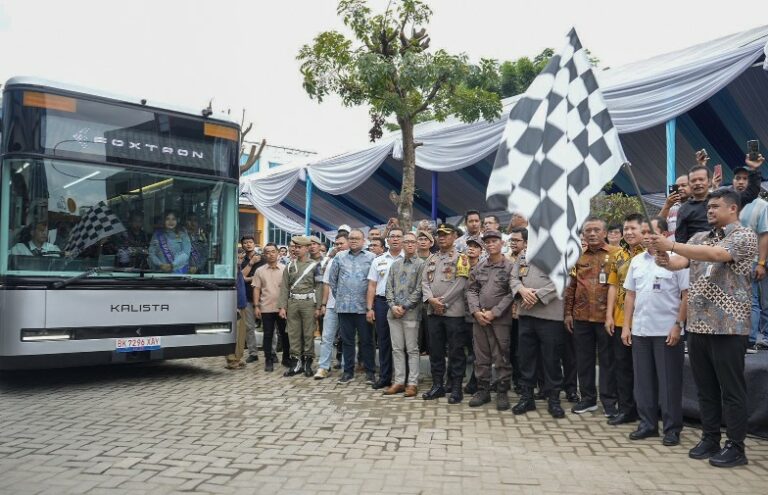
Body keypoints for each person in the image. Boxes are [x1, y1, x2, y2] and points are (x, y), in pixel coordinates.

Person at [651, 188, 757, 468]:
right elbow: (679, 263)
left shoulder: (744, 236)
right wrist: (662, 254)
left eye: (715, 206)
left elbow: (716, 255)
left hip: (729, 327)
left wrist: (672, 245)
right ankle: (710, 438)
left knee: (731, 390)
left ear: (732, 209)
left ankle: (736, 446)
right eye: (708, 207)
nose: (709, 211)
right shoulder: (699, 237)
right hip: (698, 326)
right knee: (705, 388)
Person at [622, 221, 689, 446]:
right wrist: (626, 326)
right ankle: (648, 424)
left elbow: (686, 295)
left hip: (666, 330)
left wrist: (678, 325)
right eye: (645, 233)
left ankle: (672, 429)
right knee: (643, 382)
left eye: (652, 232)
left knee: (669, 383)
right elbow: (630, 295)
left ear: (663, 234)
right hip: (641, 330)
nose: (648, 236)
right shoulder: (637, 261)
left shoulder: (676, 259)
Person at [564, 217, 619, 417]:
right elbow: (571, 287)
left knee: (607, 361)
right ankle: (587, 399)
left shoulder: (616, 254)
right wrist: (568, 313)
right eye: (588, 231)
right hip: (581, 317)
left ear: (605, 233)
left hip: (607, 318)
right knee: (584, 360)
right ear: (583, 234)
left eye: (597, 230)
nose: (592, 234)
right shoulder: (577, 256)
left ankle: (609, 401)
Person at [510, 237, 567, 419]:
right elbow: (513, 277)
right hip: (526, 316)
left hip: (549, 316)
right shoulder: (523, 255)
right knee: (526, 358)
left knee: (551, 360)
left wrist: (537, 295)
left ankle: (554, 399)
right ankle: (527, 398)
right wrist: (522, 291)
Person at [466, 230, 516, 411]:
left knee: (501, 354)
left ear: (502, 243)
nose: (490, 244)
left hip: (500, 319)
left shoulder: (510, 267)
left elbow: (512, 293)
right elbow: (471, 290)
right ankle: (483, 390)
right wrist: (476, 312)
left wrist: (495, 312)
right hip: (480, 319)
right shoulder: (480, 266)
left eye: (494, 241)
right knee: (481, 356)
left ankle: (502, 391)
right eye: (487, 242)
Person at [604, 213, 646, 426]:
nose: (629, 233)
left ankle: (646, 411)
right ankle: (626, 409)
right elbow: (612, 285)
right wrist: (609, 316)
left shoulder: (650, 254)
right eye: (626, 229)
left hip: (645, 321)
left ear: (643, 230)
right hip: (620, 321)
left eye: (633, 229)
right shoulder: (618, 256)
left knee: (645, 370)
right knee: (622, 368)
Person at [422, 223, 471, 403]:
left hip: (453, 314)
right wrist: (431, 300)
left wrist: (442, 302)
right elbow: (424, 282)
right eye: (439, 235)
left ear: (454, 237)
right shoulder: (431, 258)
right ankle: (437, 386)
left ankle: (456, 388)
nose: (441, 237)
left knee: (456, 351)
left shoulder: (462, 258)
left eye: (445, 234)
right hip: (434, 313)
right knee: (435, 351)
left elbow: (461, 283)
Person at [675, 155, 762, 244]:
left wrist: (753, 169)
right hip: (697, 253)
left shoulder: (724, 197)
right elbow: (680, 241)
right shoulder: (683, 210)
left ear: (709, 181)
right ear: (689, 184)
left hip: (727, 250)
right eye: (693, 181)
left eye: (701, 179)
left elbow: (751, 193)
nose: (697, 183)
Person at [329, 229, 376, 384]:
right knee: (347, 341)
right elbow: (333, 281)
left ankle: (370, 372)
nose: (354, 241)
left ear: (364, 241)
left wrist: (371, 305)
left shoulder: (372, 258)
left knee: (367, 341)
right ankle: (348, 372)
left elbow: (374, 282)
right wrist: (342, 297)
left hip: (363, 308)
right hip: (344, 307)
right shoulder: (339, 257)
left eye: (357, 238)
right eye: (351, 238)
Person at [383, 232, 425, 397]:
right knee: (397, 348)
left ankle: (412, 383)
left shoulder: (421, 264)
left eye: (412, 242)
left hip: (411, 313)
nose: (409, 245)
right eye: (406, 241)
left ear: (416, 244)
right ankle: (399, 381)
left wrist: (405, 306)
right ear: (401, 243)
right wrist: (393, 306)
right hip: (393, 314)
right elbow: (388, 287)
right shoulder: (395, 265)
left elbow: (420, 289)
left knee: (412, 349)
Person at [733, 161, 768, 350]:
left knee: (754, 300)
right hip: (732, 260)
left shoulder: (762, 205)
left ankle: (751, 340)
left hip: (754, 260)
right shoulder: (732, 202)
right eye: (737, 178)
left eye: (745, 178)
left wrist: (761, 263)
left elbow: (764, 235)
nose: (740, 182)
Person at [278, 236, 322, 377]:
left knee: (308, 333)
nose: (296, 250)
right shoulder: (290, 266)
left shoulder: (315, 265)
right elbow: (284, 287)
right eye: (294, 247)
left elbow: (319, 286)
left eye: (299, 247)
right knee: (293, 334)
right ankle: (296, 364)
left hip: (309, 302)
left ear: (307, 248)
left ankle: (308, 363)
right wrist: (282, 307)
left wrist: (318, 306)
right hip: (293, 302)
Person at [366, 228, 404, 389]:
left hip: (404, 304)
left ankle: (404, 378)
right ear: (387, 240)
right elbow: (372, 285)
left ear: (403, 239)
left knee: (404, 342)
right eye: (392, 236)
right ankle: (385, 377)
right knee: (384, 341)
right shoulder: (378, 260)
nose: (395, 239)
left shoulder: (409, 258)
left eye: (398, 237)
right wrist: (369, 308)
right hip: (382, 303)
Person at [315, 234, 349, 379]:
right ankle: (323, 367)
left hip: (349, 306)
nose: (338, 246)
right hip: (331, 306)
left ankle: (346, 367)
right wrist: (323, 304)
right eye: (336, 244)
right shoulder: (331, 262)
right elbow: (326, 284)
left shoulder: (357, 261)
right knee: (327, 337)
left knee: (347, 338)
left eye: (341, 243)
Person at [253, 243, 286, 372]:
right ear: (264, 254)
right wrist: (256, 306)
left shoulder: (285, 269)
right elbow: (256, 289)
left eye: (273, 251)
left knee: (285, 334)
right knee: (268, 334)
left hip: (282, 307)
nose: (271, 254)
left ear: (278, 253)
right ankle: (268, 359)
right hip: (266, 307)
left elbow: (288, 289)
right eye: (267, 252)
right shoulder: (260, 271)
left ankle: (286, 358)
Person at [462, 235, 483, 395]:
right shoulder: (461, 265)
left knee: (478, 352)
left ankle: (476, 382)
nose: (471, 249)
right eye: (469, 246)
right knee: (463, 350)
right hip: (459, 314)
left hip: (476, 316)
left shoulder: (483, 268)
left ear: (481, 251)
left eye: (475, 247)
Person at [239, 235, 265, 363]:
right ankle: (253, 353)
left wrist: (250, 278)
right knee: (249, 327)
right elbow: (241, 277)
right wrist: (251, 263)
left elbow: (264, 277)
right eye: (245, 243)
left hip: (264, 297)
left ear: (254, 244)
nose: (248, 244)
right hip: (248, 297)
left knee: (269, 327)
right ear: (242, 245)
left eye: (250, 242)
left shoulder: (263, 259)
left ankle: (271, 352)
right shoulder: (242, 260)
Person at [225, 269, 249, 370]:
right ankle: (231, 359)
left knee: (241, 334)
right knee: (234, 334)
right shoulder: (230, 270)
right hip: (235, 306)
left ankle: (237, 358)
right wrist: (235, 306)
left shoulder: (238, 270)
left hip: (242, 305)